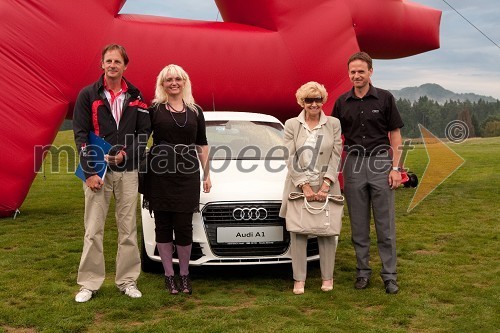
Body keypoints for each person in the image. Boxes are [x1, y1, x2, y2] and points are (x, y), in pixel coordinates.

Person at [72, 44, 151, 303]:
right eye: (108, 61)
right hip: (98, 172)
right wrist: (90, 172)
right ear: (102, 65)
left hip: (127, 171)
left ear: (125, 66)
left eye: (118, 61)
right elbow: (81, 135)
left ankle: (127, 281)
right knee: (93, 229)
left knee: (127, 229)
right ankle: (89, 283)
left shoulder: (137, 96)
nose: (113, 65)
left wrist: (126, 154)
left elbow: (143, 135)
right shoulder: (88, 95)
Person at [332, 51, 403, 294]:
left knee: (385, 226)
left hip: (381, 163)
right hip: (353, 164)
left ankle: (389, 275)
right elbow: (334, 138)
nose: (357, 75)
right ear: (348, 74)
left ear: (371, 72)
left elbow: (395, 135)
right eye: (353, 72)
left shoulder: (385, 99)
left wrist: (395, 169)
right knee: (358, 226)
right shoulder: (342, 103)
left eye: (361, 71)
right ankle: (362, 272)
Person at [143, 64, 211, 295]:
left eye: (178, 79)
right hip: (159, 173)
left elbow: (202, 143)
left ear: (185, 82)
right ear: (162, 84)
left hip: (187, 173)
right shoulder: (154, 109)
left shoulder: (195, 111)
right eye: (168, 79)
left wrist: (207, 174)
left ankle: (184, 274)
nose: (174, 83)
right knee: (162, 225)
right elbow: (141, 138)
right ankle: (168, 276)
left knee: (184, 226)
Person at [279, 81, 342, 295]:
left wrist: (326, 184)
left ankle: (327, 277)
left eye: (317, 100)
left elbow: (336, 155)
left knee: (326, 232)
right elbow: (289, 155)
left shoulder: (333, 123)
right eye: (309, 100)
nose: (314, 104)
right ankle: (299, 280)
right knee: (298, 233)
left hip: (327, 186)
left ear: (323, 101)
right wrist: (304, 184)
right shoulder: (291, 125)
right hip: (298, 186)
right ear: (302, 102)